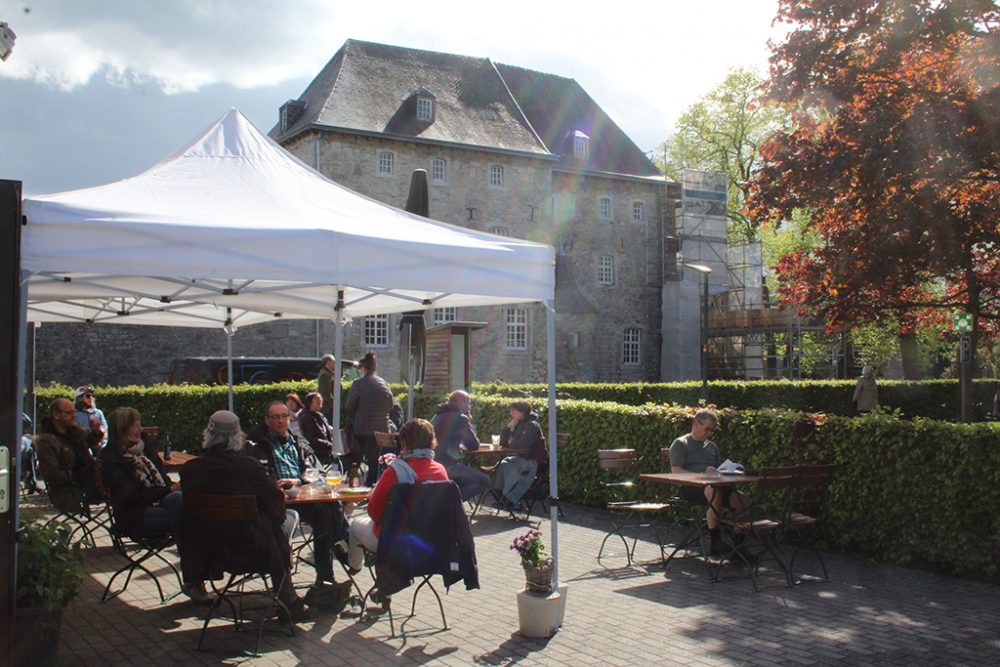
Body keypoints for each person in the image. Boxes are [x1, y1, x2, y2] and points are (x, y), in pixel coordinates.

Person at [181, 410, 308, 619]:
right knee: (286, 520)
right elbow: (277, 507)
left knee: (274, 526)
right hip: (254, 552)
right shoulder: (249, 468)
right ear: (237, 436)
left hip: (209, 552)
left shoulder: (190, 470)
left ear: (208, 435)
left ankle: (287, 596)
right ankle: (288, 598)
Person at [100, 407, 209, 603]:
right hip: (134, 514)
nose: (140, 429)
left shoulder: (145, 448)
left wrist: (173, 489)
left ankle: (194, 578)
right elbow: (132, 496)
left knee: (183, 502)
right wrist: (170, 489)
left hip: (161, 504)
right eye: (136, 425)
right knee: (186, 515)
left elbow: (163, 480)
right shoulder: (112, 458)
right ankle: (195, 579)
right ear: (122, 428)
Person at [245, 400, 351, 595]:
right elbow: (253, 477)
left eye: (284, 416)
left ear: (289, 418)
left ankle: (325, 576)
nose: (280, 421)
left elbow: (315, 471)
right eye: (275, 417)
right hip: (274, 504)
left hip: (301, 497)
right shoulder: (256, 445)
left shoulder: (298, 442)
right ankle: (345, 546)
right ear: (266, 420)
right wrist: (273, 484)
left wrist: (299, 481)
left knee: (327, 509)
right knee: (329, 511)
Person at [347, 418, 449, 573]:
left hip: (394, 543)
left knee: (355, 524)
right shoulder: (440, 470)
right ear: (432, 440)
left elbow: (374, 512)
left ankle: (355, 569)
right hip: (429, 542)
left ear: (404, 442)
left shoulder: (396, 470)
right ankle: (385, 583)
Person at [668, 408, 749, 557]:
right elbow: (676, 471)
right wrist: (701, 475)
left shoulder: (711, 446)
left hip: (714, 484)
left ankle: (739, 544)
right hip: (691, 486)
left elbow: (719, 469)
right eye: (707, 429)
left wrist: (727, 472)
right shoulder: (681, 443)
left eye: (712, 431)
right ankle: (715, 541)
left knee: (741, 499)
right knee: (714, 491)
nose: (709, 433)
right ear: (696, 423)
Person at [35, 397, 104, 514]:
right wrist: (81, 475)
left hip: (88, 485)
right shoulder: (46, 441)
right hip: (67, 492)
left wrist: (96, 431)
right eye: (69, 413)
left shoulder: (74, 432)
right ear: (56, 415)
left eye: (74, 412)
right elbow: (52, 474)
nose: (74, 416)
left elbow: (90, 440)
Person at [345, 352, 394, 486]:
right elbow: (391, 405)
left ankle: (352, 486)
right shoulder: (384, 383)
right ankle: (371, 486)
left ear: (363, 368)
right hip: (381, 428)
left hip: (362, 427)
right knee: (374, 460)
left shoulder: (358, 384)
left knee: (356, 459)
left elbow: (349, 406)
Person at [430, 390, 489, 502]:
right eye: (468, 403)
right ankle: (452, 503)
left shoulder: (437, 415)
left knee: (463, 478)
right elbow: (473, 445)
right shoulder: (460, 418)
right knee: (484, 480)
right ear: (461, 403)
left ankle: (448, 503)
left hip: (432, 462)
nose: (470, 406)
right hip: (448, 464)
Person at [490, 401, 546, 509]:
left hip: (533, 461)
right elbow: (504, 444)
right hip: (522, 457)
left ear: (522, 412)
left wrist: (511, 445)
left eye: (513, 410)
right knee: (502, 464)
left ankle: (510, 498)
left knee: (510, 466)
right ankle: (499, 494)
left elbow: (521, 444)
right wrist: (507, 428)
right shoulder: (520, 424)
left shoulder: (532, 426)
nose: (511, 413)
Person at [298, 392, 338, 465]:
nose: (320, 401)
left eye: (321, 399)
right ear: (310, 402)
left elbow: (327, 429)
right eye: (318, 400)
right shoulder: (306, 417)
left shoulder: (319, 415)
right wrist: (329, 444)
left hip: (325, 452)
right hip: (317, 453)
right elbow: (311, 438)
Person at [74, 385, 108, 450]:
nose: (91, 398)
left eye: (92, 396)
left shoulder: (98, 413)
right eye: (88, 396)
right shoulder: (74, 414)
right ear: (80, 398)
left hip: (98, 448)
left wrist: (101, 443)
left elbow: (105, 430)